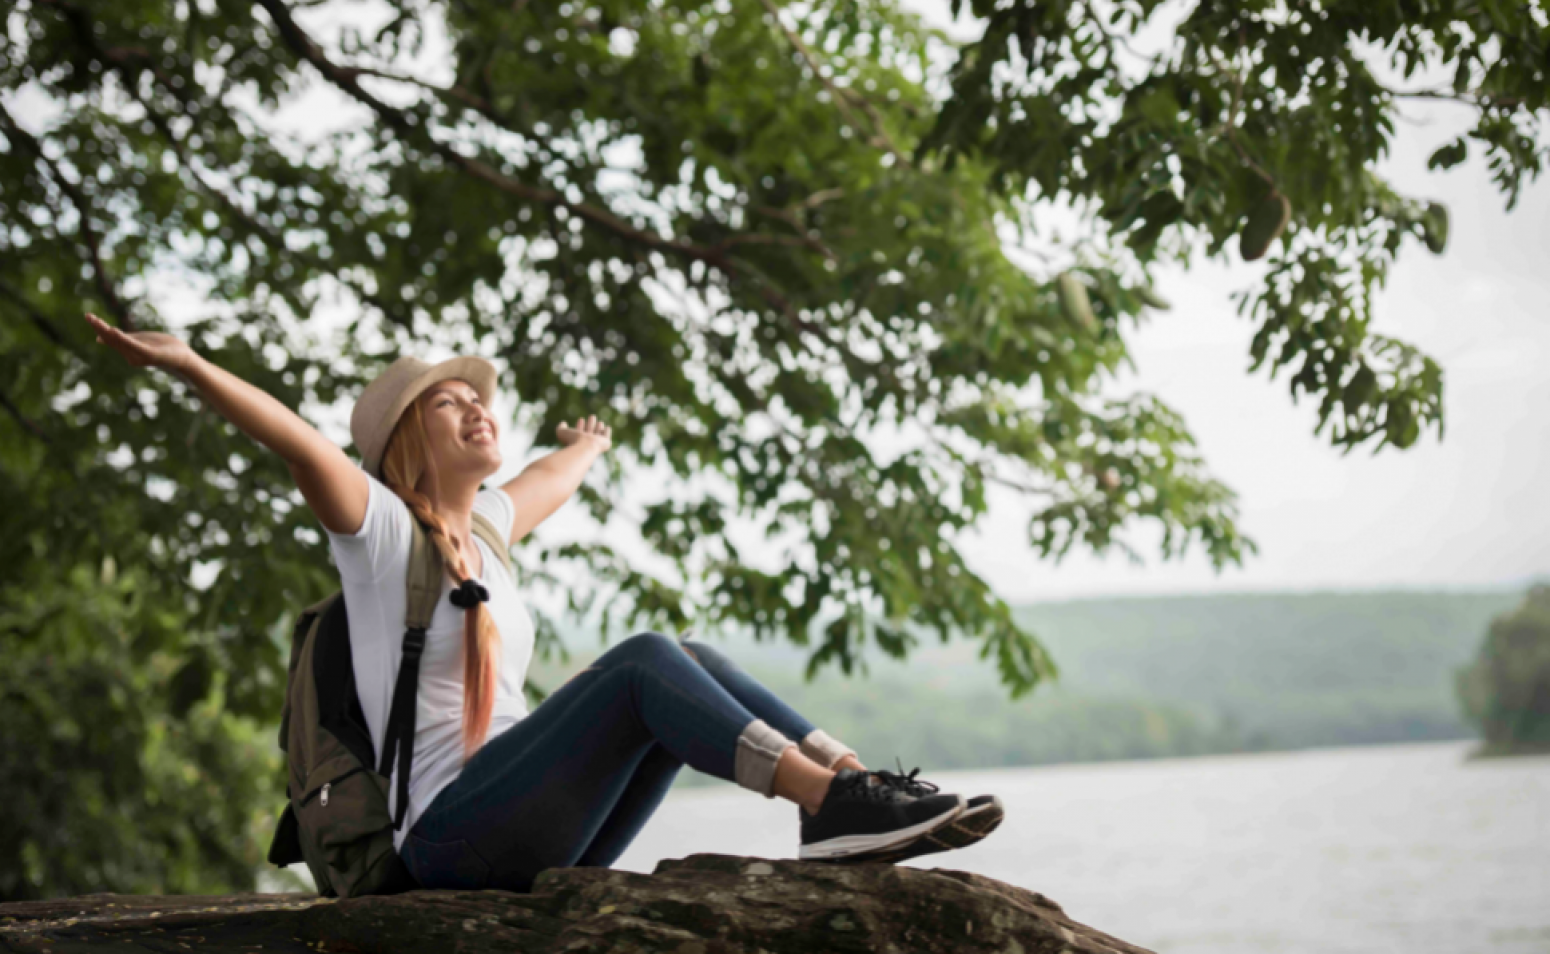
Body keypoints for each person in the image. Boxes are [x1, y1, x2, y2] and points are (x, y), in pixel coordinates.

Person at [85, 313, 1002, 891]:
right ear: (406, 443)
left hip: (522, 835)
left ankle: (843, 791)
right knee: (644, 661)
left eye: (480, 400)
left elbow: (544, 478)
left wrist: (590, 447)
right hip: (438, 848)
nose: (477, 409)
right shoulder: (382, 539)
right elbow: (301, 447)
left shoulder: (485, 534)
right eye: (448, 405)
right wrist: (194, 366)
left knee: (691, 659)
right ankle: (830, 802)